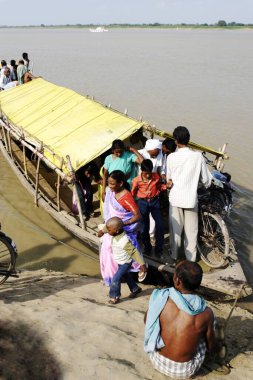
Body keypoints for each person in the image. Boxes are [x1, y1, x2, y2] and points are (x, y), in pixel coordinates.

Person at [144, 260, 216, 379]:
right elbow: (210, 345)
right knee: (208, 327)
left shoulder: (162, 298)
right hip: (185, 371)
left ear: (177, 280)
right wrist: (214, 349)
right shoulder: (206, 312)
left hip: (157, 360)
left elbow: (147, 321)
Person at [166, 126, 212, 263]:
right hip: (191, 199)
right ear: (188, 139)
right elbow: (207, 180)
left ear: (176, 141)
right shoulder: (197, 156)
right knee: (191, 233)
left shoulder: (171, 157)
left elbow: (169, 179)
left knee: (175, 230)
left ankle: (174, 256)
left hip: (175, 198)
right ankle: (190, 260)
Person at [99, 170, 142, 286]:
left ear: (120, 183)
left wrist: (123, 223)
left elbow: (137, 216)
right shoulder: (110, 192)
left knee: (122, 260)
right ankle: (128, 285)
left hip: (121, 230)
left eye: (112, 184)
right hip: (112, 230)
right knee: (109, 254)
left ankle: (114, 282)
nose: (110, 186)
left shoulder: (126, 197)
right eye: (108, 183)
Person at [106, 217, 147, 304]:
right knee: (126, 276)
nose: (108, 232)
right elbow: (106, 228)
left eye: (109, 230)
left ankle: (114, 296)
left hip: (125, 263)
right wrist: (102, 231)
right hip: (120, 261)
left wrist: (142, 264)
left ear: (116, 230)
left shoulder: (123, 241)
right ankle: (135, 289)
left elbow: (134, 252)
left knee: (115, 279)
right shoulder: (115, 231)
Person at [131, 159, 164, 257]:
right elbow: (132, 193)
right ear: (142, 171)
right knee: (144, 227)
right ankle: (147, 247)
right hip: (142, 203)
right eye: (146, 173)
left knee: (160, 225)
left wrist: (166, 186)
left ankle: (159, 249)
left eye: (149, 173)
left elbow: (159, 187)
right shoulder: (136, 180)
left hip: (154, 202)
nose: (148, 176)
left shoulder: (156, 176)